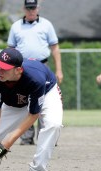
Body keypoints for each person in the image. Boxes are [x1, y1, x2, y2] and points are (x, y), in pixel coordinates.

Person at [7, 0, 62, 145]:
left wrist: (59, 70)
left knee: (46, 100)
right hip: (22, 69)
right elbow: (10, 50)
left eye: (33, 8)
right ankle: (26, 137)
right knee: (25, 100)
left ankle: (46, 135)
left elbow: (55, 48)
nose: (31, 11)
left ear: (38, 8)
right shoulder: (16, 26)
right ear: (24, 9)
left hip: (43, 66)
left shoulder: (46, 25)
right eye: (28, 8)